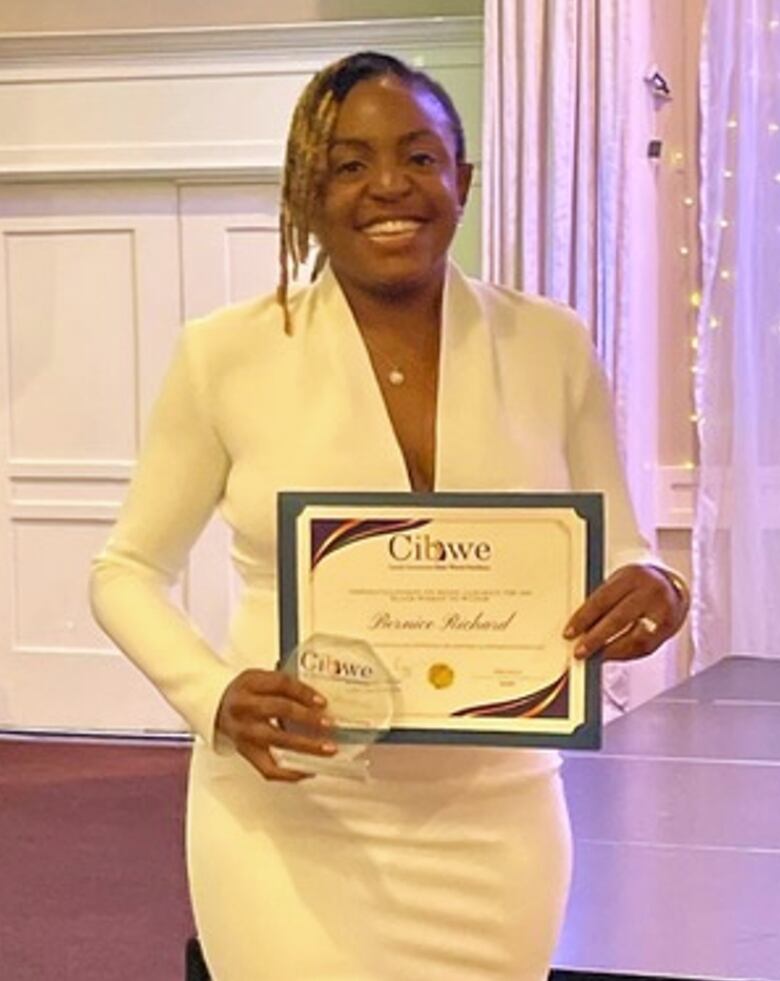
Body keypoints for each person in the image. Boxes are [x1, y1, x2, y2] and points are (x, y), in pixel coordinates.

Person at [90, 51, 689, 981]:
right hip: (291, 815)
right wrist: (209, 693)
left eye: (419, 156)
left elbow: (620, 545)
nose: (388, 187)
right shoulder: (225, 355)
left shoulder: (551, 346)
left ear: (463, 179)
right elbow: (125, 569)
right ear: (307, 190)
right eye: (348, 162)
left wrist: (657, 586)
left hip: (496, 812)